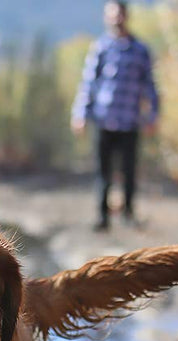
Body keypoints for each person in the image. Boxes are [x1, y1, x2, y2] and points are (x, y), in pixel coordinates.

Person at [71, 1, 159, 231]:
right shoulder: (100, 47)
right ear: (106, 17)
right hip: (104, 119)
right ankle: (102, 217)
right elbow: (88, 83)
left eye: (119, 14)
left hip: (130, 120)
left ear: (125, 16)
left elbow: (150, 85)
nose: (115, 19)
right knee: (103, 172)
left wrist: (153, 115)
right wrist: (80, 113)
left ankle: (128, 212)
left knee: (129, 170)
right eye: (111, 15)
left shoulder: (140, 50)